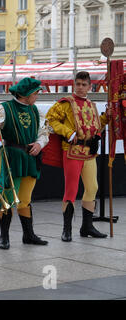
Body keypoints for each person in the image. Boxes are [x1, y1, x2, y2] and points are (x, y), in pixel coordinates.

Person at [0, 77, 49, 250]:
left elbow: (44, 131)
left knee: (25, 199)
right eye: (36, 93)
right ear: (26, 94)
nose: (37, 96)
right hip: (12, 157)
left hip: (30, 158)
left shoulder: (36, 111)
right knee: (9, 199)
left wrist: (40, 144)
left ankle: (28, 235)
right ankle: (4, 236)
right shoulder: (4, 108)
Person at [46, 71, 108, 241]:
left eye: (84, 84)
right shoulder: (65, 103)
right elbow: (50, 119)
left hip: (89, 153)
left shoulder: (91, 105)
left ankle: (87, 226)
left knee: (92, 187)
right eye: (78, 84)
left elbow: (95, 126)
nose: (80, 87)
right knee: (71, 190)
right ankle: (67, 229)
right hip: (72, 151)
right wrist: (69, 133)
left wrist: (106, 117)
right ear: (75, 84)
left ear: (90, 86)